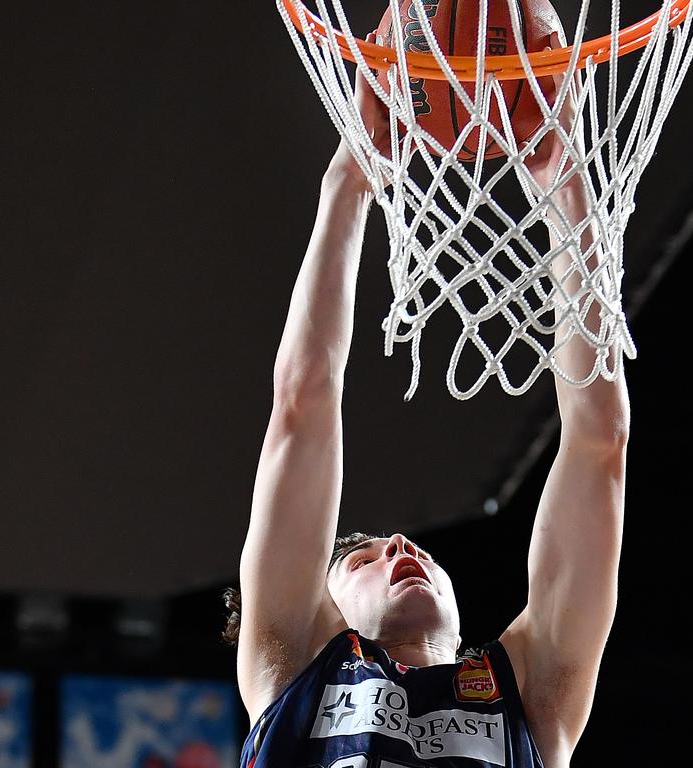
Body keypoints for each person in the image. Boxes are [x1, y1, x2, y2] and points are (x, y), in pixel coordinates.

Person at [226, 32, 628, 768]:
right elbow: (301, 402)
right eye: (367, 557)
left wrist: (566, 188)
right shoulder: (289, 673)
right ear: (322, 614)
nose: (403, 547)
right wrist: (346, 181)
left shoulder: (531, 694)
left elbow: (599, 441)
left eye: (394, 547)